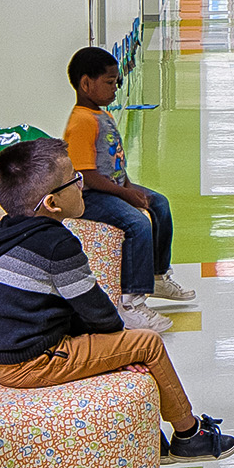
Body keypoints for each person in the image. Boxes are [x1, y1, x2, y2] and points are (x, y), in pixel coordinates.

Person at [0, 138, 234, 461]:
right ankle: (189, 435)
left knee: (120, 346)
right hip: (30, 362)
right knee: (146, 344)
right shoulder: (56, 244)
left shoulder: (8, 232)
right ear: (52, 203)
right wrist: (122, 341)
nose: (82, 185)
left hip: (3, 355)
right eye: (74, 179)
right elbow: (97, 311)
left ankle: (150, 436)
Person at [64, 46, 189, 333]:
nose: (115, 89)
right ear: (86, 84)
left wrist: (129, 185)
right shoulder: (82, 121)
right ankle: (131, 302)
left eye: (116, 82)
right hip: (90, 195)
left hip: (113, 186)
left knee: (159, 204)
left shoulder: (100, 114)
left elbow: (113, 161)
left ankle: (157, 275)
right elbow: (87, 175)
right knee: (136, 223)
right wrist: (125, 195)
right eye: (110, 82)